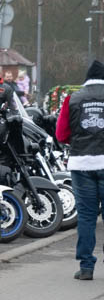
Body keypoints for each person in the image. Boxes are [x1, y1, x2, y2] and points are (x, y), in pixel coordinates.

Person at [54, 59, 104, 280]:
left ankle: (86, 266)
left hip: (81, 163)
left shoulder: (72, 99)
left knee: (86, 216)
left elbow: (61, 134)